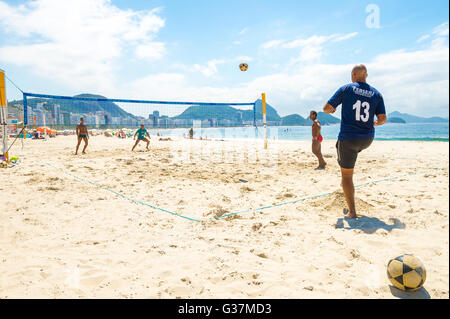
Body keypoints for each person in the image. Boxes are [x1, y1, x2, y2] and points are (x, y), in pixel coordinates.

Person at [323, 64, 386, 219]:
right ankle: (344, 184)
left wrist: (331, 110)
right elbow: (382, 119)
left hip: (349, 139)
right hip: (367, 139)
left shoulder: (346, 89)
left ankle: (352, 212)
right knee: (347, 159)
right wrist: (376, 123)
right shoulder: (376, 93)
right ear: (366, 75)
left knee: (347, 176)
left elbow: (326, 108)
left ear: (353, 75)